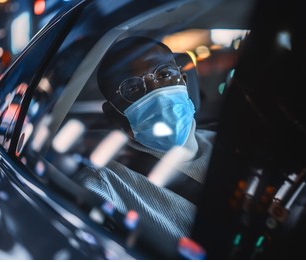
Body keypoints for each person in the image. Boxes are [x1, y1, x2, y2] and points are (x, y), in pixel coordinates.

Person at [75, 36, 215, 246]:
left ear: (184, 82)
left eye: (165, 74)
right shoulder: (104, 183)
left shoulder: (232, 146)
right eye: (131, 88)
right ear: (114, 114)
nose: (156, 91)